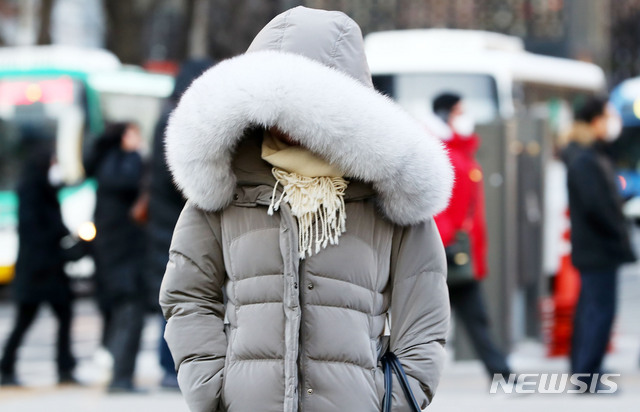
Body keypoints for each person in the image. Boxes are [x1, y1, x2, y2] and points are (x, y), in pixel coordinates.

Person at [160, 6, 453, 412]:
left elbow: (425, 315)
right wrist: (210, 388)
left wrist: (395, 399)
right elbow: (188, 297)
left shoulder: (388, 195)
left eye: (301, 102)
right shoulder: (225, 189)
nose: (283, 120)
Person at [431, 92, 513, 381]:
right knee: (438, 321)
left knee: (471, 317)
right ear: (444, 115)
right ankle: (501, 374)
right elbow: (437, 205)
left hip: (458, 251)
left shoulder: (459, 152)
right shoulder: (443, 153)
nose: (465, 117)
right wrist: (446, 240)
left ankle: (501, 373)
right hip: (450, 251)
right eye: (459, 111)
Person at [146, 58, 214, 389]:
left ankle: (169, 365)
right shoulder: (177, 123)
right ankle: (168, 366)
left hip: (165, 221)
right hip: (174, 224)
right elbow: (180, 178)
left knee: (178, 294)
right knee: (179, 296)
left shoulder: (166, 119)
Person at [561, 97, 635, 390]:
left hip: (595, 247)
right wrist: (618, 233)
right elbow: (597, 206)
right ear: (596, 121)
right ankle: (588, 375)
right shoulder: (586, 159)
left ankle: (584, 370)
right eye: (610, 115)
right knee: (598, 312)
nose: (614, 121)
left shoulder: (588, 155)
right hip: (599, 248)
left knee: (591, 310)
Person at [1, 144, 86, 386]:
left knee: (63, 315)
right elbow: (35, 231)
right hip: (37, 270)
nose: (55, 168)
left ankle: (65, 367)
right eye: (52, 163)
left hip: (50, 270)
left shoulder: (46, 189)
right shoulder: (31, 191)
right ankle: (6, 367)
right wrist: (60, 235)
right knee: (25, 320)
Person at [86, 122, 146, 393]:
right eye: (134, 133)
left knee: (123, 310)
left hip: (112, 253)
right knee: (130, 310)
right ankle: (121, 376)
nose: (139, 139)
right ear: (124, 136)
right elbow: (131, 184)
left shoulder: (106, 164)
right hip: (125, 253)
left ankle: (119, 372)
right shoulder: (125, 164)